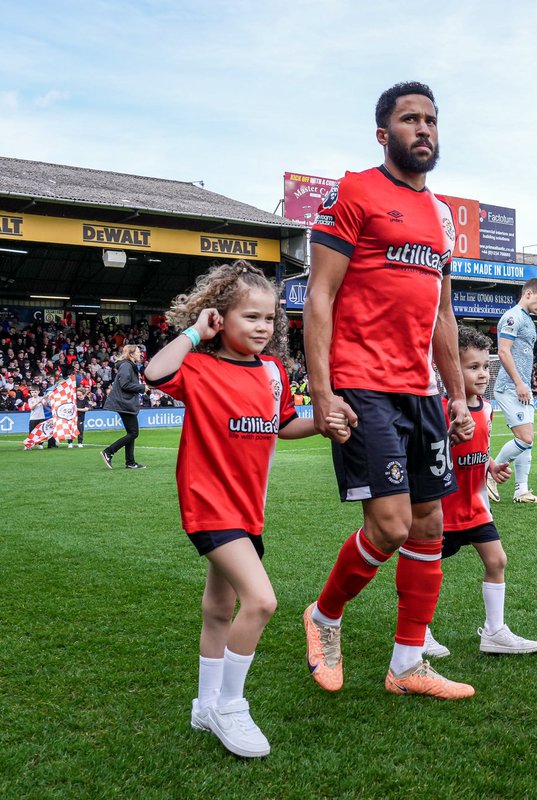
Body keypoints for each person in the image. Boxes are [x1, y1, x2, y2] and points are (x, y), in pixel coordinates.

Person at [301, 81, 478, 702]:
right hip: (362, 383)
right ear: (384, 133)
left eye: (431, 119)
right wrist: (322, 392)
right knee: (393, 526)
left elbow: (443, 314)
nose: (424, 129)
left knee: (430, 525)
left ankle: (407, 665)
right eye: (410, 119)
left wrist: (456, 394)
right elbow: (319, 295)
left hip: (422, 390)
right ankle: (323, 617)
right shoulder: (354, 191)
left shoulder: (440, 215)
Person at [143, 261, 350, 758]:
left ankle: (204, 702)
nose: (262, 328)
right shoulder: (198, 366)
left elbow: (283, 426)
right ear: (220, 317)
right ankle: (229, 707)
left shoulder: (274, 372)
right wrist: (196, 331)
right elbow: (154, 372)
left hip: (246, 508)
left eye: (269, 319)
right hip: (208, 503)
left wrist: (323, 424)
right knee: (261, 601)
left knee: (220, 608)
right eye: (250, 318)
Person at [424, 326, 537, 659]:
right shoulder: (441, 407)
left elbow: (481, 447)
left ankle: (494, 632)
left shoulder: (487, 409)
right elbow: (427, 452)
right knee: (429, 571)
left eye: (484, 367)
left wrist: (490, 466)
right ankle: (418, 632)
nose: (482, 373)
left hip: (476, 506)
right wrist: (447, 438)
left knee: (497, 560)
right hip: (443, 510)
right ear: (450, 368)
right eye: (472, 367)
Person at [490, 277, 537, 504]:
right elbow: (504, 351)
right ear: (528, 294)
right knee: (525, 438)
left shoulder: (525, 318)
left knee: (528, 441)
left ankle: (521, 491)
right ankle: (490, 472)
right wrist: (518, 383)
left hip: (520, 387)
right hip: (509, 387)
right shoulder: (512, 317)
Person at [101, 344, 145, 469]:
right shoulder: (126, 365)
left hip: (125, 403)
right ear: (131, 354)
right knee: (134, 433)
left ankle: (130, 462)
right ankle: (108, 452)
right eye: (137, 352)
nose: (140, 354)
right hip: (123, 403)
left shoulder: (128, 365)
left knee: (131, 432)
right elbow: (125, 384)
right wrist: (142, 388)